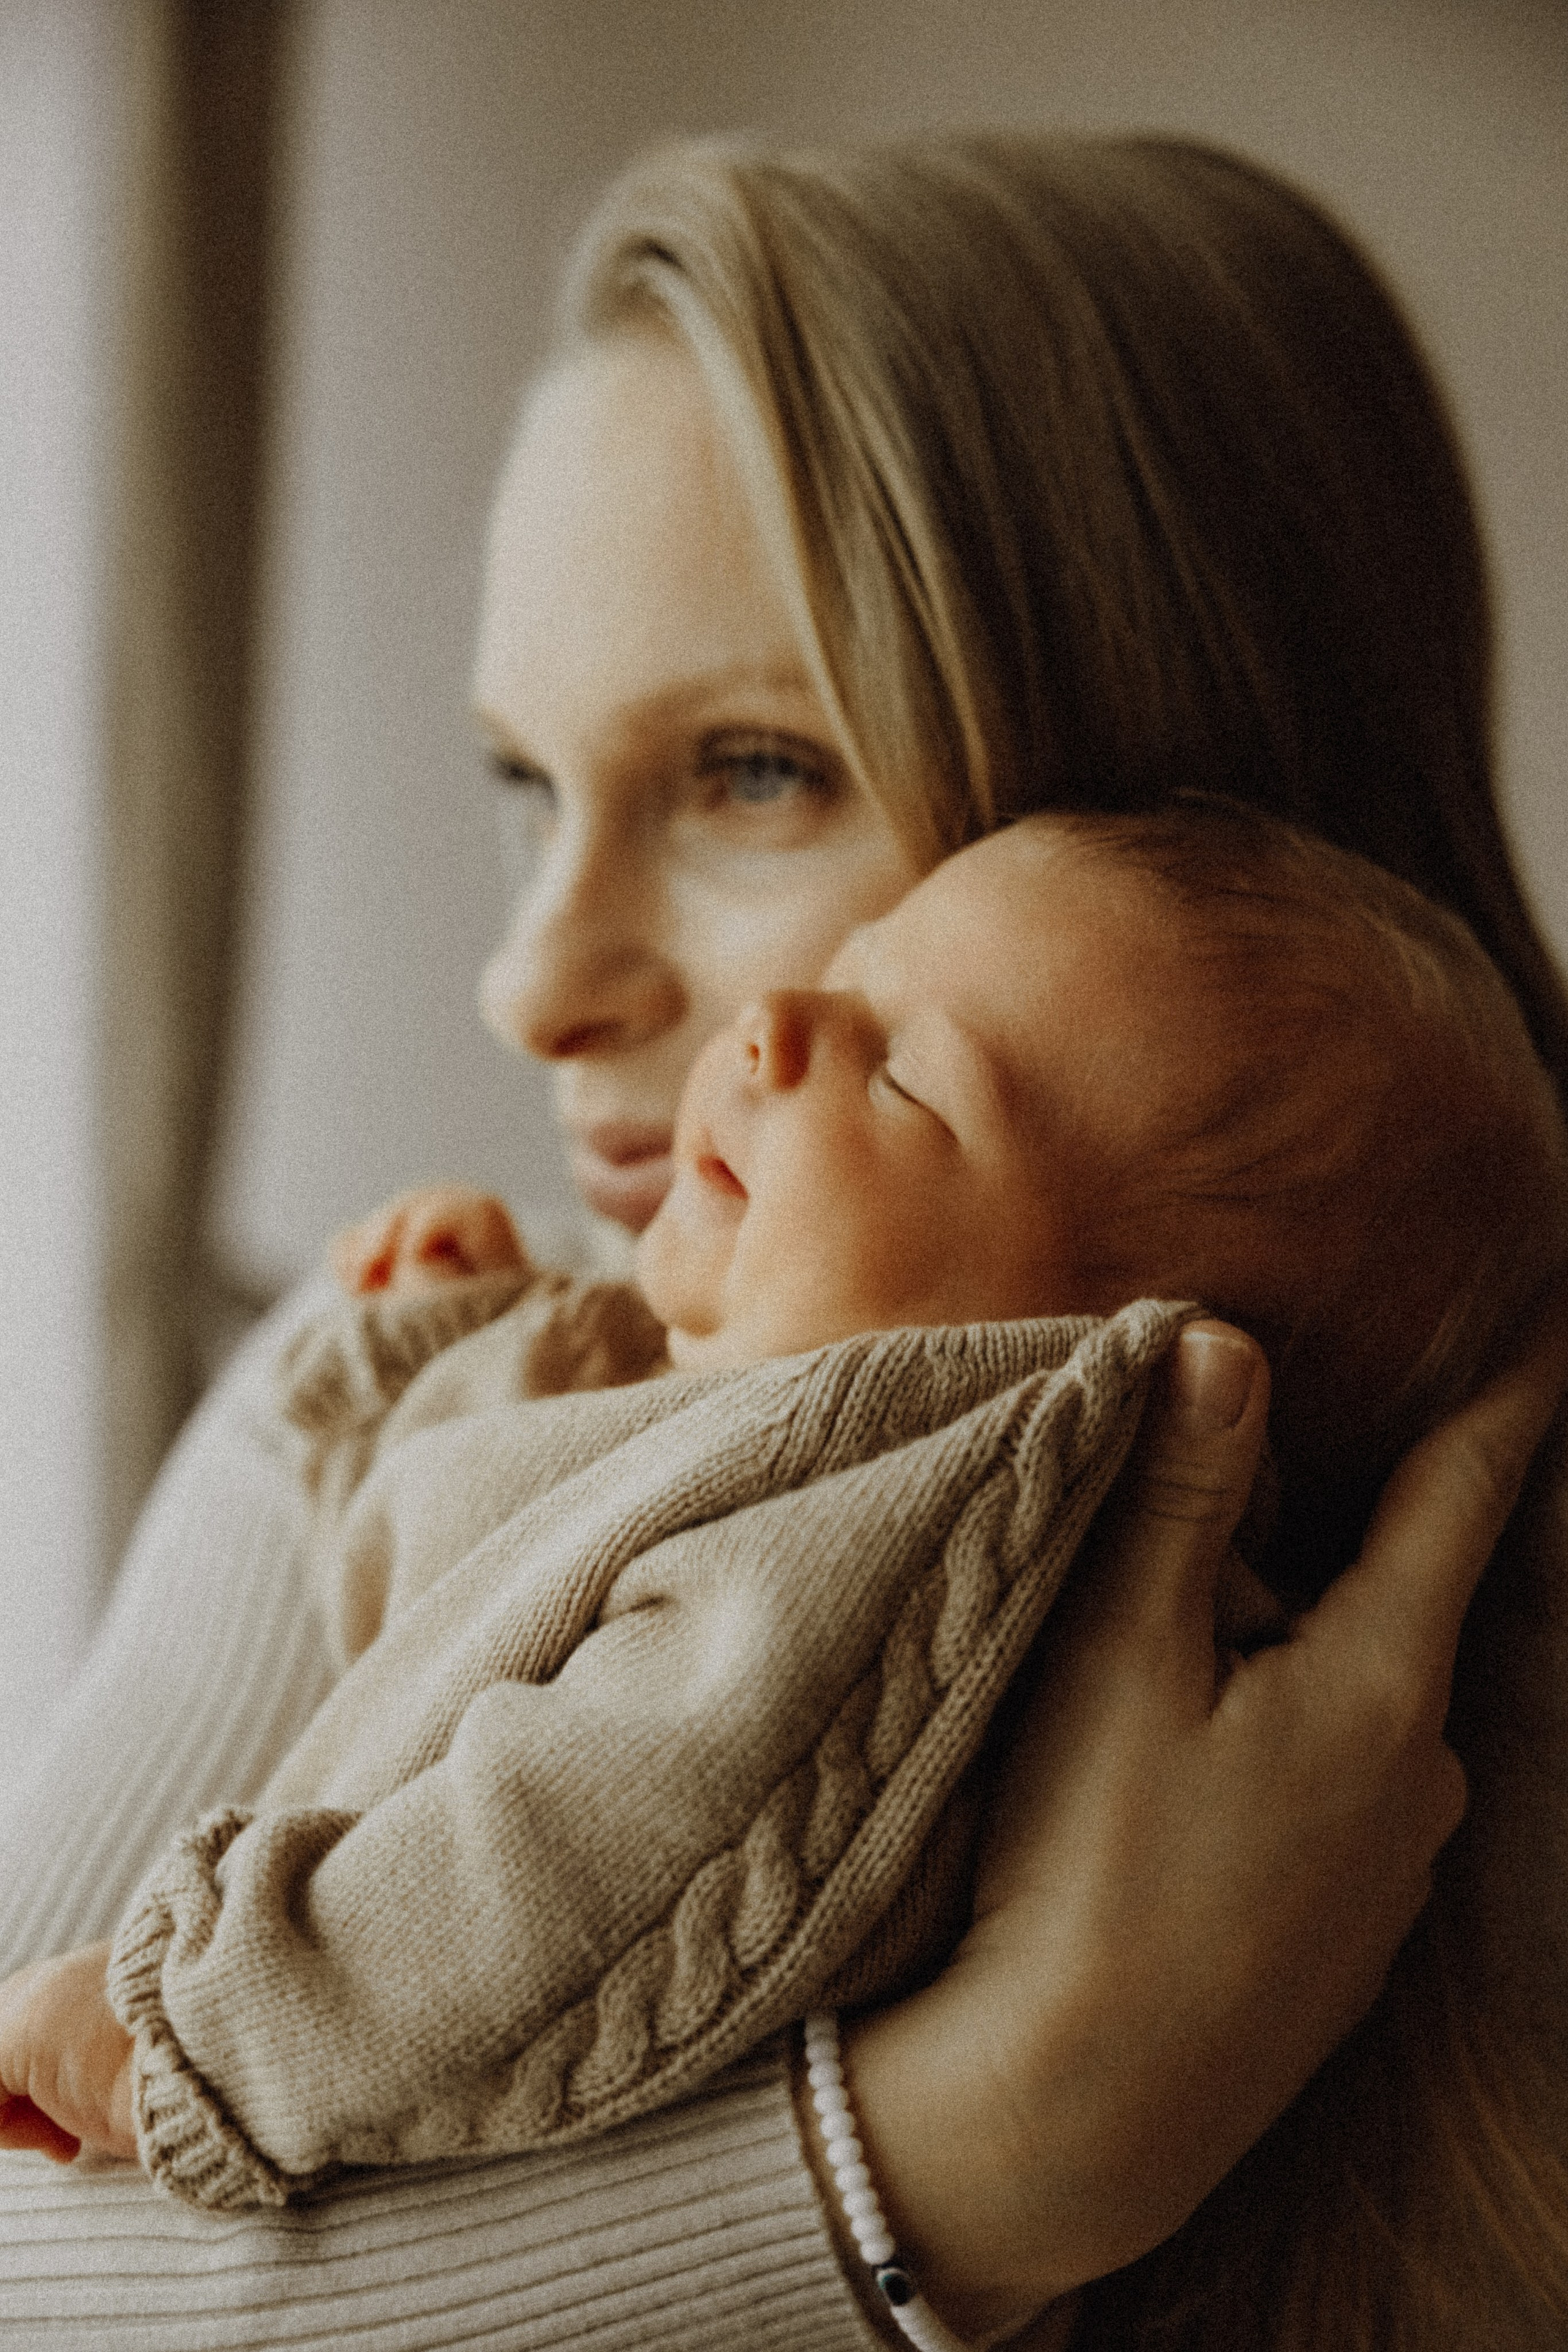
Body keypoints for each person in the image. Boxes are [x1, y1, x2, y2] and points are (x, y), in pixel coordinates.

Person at [2, 130, 1567, 2351]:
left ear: (1186, 842)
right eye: (527, 785)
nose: (531, 990)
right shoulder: (412, 1379)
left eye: (751, 771)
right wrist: (948, 2161)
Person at [6, 804, 1568, 2316]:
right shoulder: (743, 1412)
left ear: (1093, 1381)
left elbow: (573, 1851)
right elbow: (446, 1622)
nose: (773, 1023)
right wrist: (465, 1355)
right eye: (858, 972)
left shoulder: (890, 1515)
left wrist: (206, 2041)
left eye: (904, 1078)